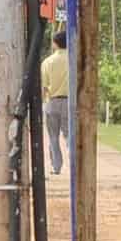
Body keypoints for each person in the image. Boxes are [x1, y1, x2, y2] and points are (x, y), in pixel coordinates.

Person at [41, 28, 70, 178]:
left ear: (55, 43)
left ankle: (56, 167)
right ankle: (75, 164)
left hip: (52, 102)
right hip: (70, 103)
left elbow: (44, 87)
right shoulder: (74, 59)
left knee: (53, 137)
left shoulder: (47, 62)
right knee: (70, 136)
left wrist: (43, 104)